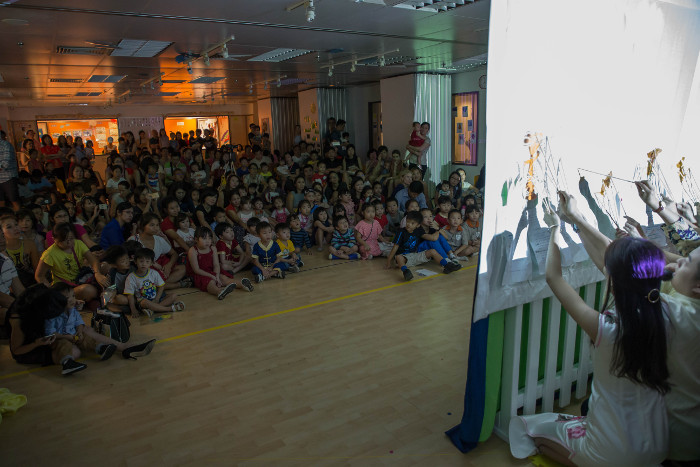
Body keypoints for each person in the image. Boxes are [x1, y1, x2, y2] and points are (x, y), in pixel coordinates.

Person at [509, 198, 671, 467]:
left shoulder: (607, 328)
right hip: (657, 444)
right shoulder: (666, 310)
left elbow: (554, 277)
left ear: (613, 279)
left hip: (613, 452)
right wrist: (577, 221)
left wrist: (555, 228)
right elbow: (619, 270)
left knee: (529, 429)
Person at [9, 284, 156, 375]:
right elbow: (17, 351)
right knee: (75, 351)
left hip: (53, 336)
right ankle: (73, 359)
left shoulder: (46, 298)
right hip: (36, 345)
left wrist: (72, 307)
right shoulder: (19, 319)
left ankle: (123, 347)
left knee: (85, 330)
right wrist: (38, 343)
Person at [35, 223, 108, 302]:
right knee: (88, 290)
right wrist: (51, 293)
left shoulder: (78, 243)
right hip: (66, 288)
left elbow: (93, 260)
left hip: (82, 278)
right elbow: (39, 276)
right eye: (64, 240)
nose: (69, 242)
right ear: (54, 239)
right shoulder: (49, 254)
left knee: (107, 266)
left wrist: (98, 274)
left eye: (71, 238)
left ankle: (101, 296)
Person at [385, 211, 460, 281]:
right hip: (404, 258)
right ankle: (406, 271)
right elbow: (395, 247)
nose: (408, 224)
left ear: (418, 225)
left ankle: (447, 265)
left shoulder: (418, 231)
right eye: (407, 221)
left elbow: (432, 238)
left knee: (432, 251)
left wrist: (438, 229)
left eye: (412, 223)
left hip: (415, 255)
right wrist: (388, 262)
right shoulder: (401, 232)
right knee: (398, 257)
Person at [187, 226, 252, 298]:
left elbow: (216, 265)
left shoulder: (213, 248)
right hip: (200, 274)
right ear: (196, 239)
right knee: (210, 282)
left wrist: (217, 276)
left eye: (210, 238)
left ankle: (242, 284)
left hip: (213, 271)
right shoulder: (193, 251)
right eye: (204, 238)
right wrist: (212, 276)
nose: (208, 241)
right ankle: (219, 292)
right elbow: (196, 270)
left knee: (224, 279)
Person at [129, 213, 189, 289]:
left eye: (157, 225)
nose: (156, 228)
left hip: (159, 269)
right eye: (152, 225)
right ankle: (177, 285)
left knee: (182, 268)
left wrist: (168, 266)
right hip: (143, 271)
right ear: (143, 225)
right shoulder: (134, 240)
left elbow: (174, 254)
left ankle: (160, 286)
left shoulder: (159, 239)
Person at [124, 248, 184, 318]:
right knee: (145, 302)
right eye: (141, 261)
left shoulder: (154, 273)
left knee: (174, 295)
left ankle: (152, 310)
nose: (144, 264)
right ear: (135, 261)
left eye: (147, 262)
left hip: (157, 298)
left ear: (152, 263)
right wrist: (133, 309)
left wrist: (157, 298)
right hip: (143, 301)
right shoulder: (131, 277)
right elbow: (130, 295)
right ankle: (169, 309)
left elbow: (161, 286)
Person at [0, 131, 20, 210]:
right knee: (1, 201)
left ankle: (20, 218)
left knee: (14, 200)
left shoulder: (5, 145)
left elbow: (5, 163)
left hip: (8, 177)